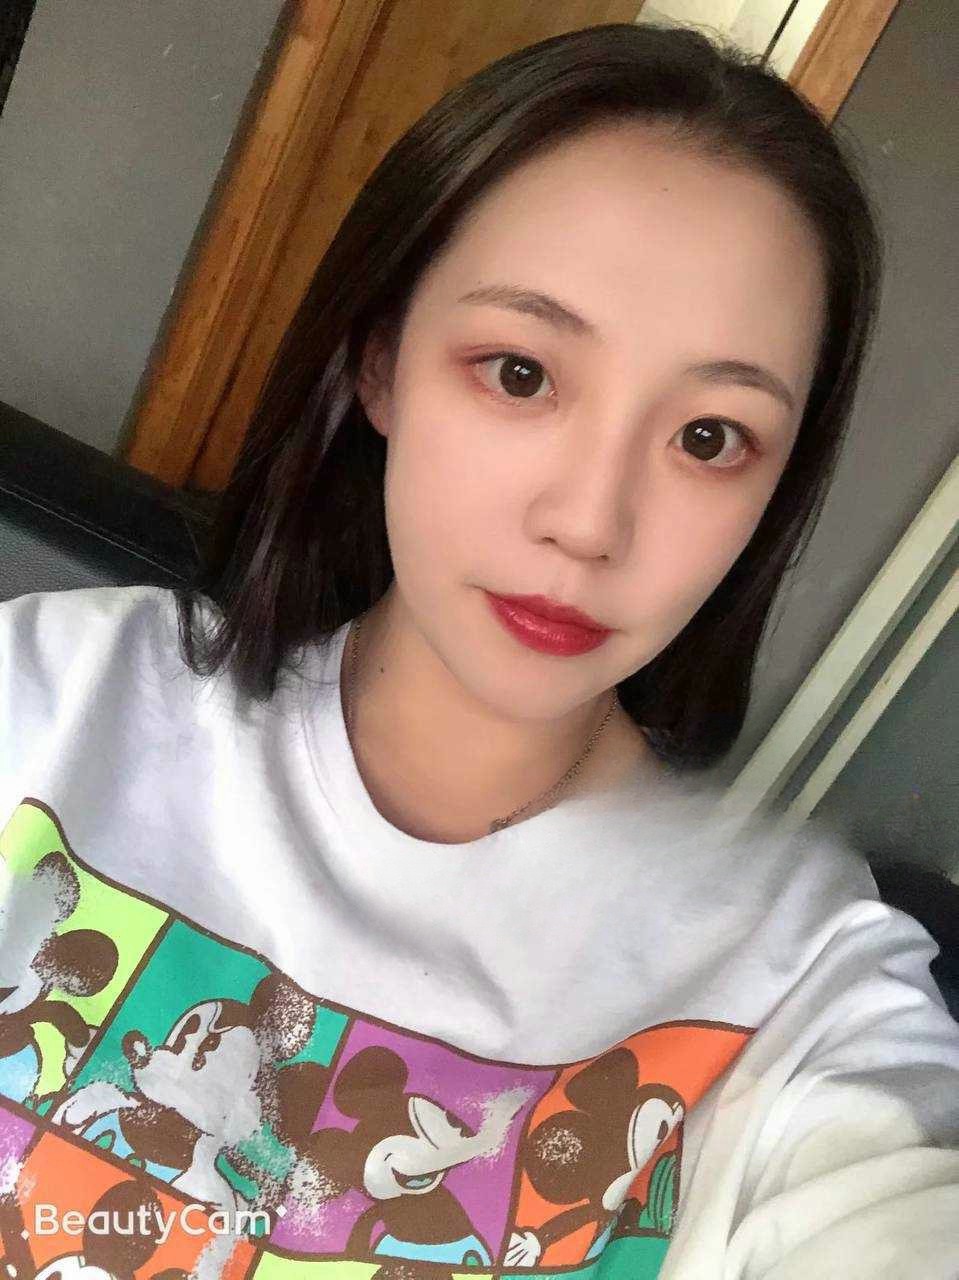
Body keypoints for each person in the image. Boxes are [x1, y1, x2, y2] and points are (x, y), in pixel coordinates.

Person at [1, 22, 957, 1280]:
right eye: (519, 372)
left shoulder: (794, 986)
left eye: (708, 438)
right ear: (381, 361)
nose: (589, 521)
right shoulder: (50, 702)